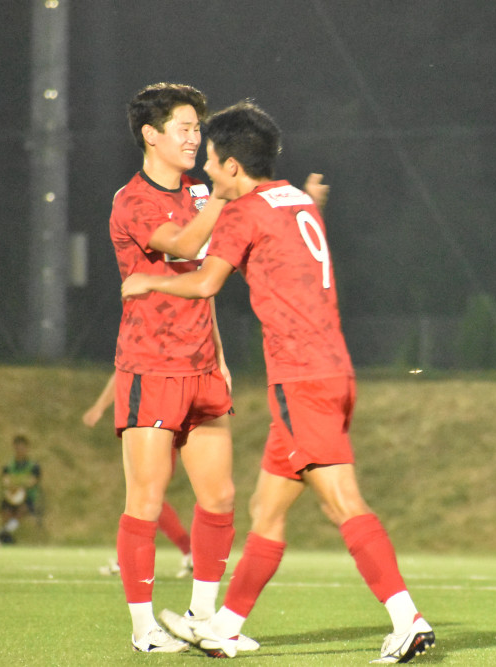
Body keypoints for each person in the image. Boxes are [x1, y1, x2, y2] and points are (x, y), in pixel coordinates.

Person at [122, 100, 435, 664]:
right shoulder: (296, 199)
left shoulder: (244, 212)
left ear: (233, 166)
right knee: (267, 510)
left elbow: (204, 283)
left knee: (343, 502)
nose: (206, 170)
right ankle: (224, 628)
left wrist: (148, 282)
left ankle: (406, 618)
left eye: (212, 160)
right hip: (332, 370)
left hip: (302, 377)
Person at [109, 82, 239, 654]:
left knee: (220, 496)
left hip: (202, 365)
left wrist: (222, 357)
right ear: (150, 134)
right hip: (151, 367)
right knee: (145, 499)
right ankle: (144, 631)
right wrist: (224, 200)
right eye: (184, 128)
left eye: (197, 128)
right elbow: (185, 244)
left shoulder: (200, 192)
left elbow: (205, 282)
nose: (194, 138)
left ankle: (202, 619)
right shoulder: (132, 200)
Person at [82, 372, 193, 579]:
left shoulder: (151, 357)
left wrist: (99, 407)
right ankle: (131, 558)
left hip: (154, 424)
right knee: (147, 498)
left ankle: (130, 559)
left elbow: (123, 372)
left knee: (146, 497)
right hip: (153, 424)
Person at [0, 434, 41, 544]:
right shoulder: (8, 465)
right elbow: (5, 480)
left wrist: (20, 485)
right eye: (17, 447)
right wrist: (12, 487)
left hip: (27, 497)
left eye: (22, 447)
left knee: (22, 510)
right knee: (5, 512)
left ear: (27, 448)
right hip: (11, 495)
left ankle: (4, 533)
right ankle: (6, 537)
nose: (20, 450)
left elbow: (33, 481)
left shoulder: (33, 466)